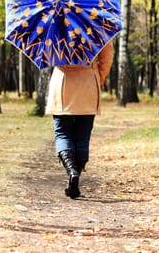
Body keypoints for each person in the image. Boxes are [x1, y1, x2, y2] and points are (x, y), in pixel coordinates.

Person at [46, 41, 114, 199]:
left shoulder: (55, 23)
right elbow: (107, 57)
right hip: (88, 82)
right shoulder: (97, 23)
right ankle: (75, 177)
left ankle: (72, 171)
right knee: (83, 134)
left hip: (62, 83)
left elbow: (48, 55)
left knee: (62, 133)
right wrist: (98, 76)